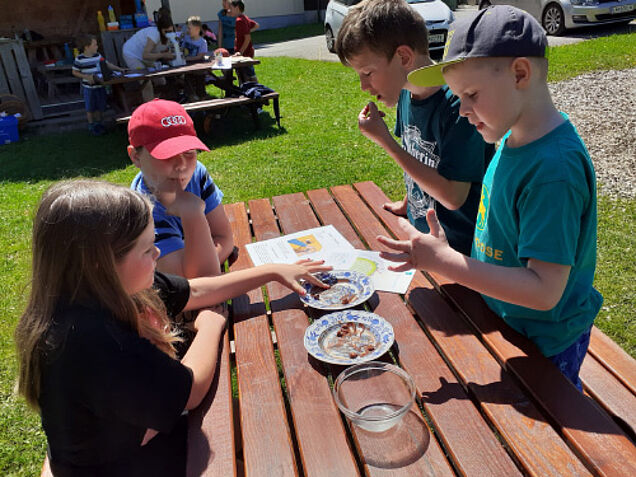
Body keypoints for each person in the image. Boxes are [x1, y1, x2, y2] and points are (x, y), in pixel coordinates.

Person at [14, 179, 330, 476]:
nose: (159, 253)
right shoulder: (90, 340)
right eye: (147, 249)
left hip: (134, 436)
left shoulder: (109, 288)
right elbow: (189, 391)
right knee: (265, 444)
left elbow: (198, 291)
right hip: (126, 467)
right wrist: (209, 325)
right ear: (102, 263)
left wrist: (272, 271)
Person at [378, 6, 603, 391]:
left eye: (471, 94)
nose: (462, 110)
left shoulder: (553, 170)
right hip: (504, 316)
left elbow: (545, 291)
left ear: (520, 74)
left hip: (546, 340)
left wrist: (449, 263)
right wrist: (448, 249)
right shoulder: (509, 137)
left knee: (548, 435)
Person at [335, 0, 492, 256]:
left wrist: (386, 141)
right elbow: (417, 151)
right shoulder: (405, 94)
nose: (364, 86)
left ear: (404, 57)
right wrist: (408, 203)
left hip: (460, 253)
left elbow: (454, 197)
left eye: (367, 72)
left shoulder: (459, 106)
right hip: (422, 238)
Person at [128, 99, 234, 279]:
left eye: (189, 152)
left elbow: (224, 237)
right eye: (166, 155)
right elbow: (191, 280)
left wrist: (200, 263)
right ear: (136, 157)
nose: (182, 165)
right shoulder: (144, 214)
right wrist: (191, 212)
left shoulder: (197, 173)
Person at [72, 34, 124, 136]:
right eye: (95, 45)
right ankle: (91, 125)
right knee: (90, 107)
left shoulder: (98, 56)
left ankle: (99, 123)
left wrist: (119, 69)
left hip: (100, 86)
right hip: (89, 88)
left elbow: (107, 64)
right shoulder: (80, 59)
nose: (97, 47)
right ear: (87, 47)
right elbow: (75, 72)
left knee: (100, 106)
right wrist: (86, 77)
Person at [122, 14, 176, 101]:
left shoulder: (171, 36)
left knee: (161, 81)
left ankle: (156, 103)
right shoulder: (154, 34)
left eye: (170, 31)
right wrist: (163, 55)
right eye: (166, 32)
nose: (168, 34)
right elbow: (146, 55)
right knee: (146, 82)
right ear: (160, 29)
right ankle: (149, 108)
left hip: (148, 58)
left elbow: (161, 52)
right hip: (132, 55)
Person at [181, 15, 211, 101]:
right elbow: (182, 49)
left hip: (198, 68)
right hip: (187, 67)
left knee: (199, 83)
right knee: (188, 81)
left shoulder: (202, 42)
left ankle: (201, 98)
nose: (188, 30)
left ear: (197, 29)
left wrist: (186, 59)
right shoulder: (186, 39)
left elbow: (200, 56)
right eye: (187, 28)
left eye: (189, 28)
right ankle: (191, 97)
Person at [229, 0, 259, 84]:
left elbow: (247, 38)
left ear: (237, 8)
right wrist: (245, 32)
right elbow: (256, 25)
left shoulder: (239, 21)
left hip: (244, 54)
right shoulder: (245, 17)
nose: (229, 10)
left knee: (246, 75)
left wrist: (240, 52)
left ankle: (255, 90)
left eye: (231, 8)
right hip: (248, 52)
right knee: (247, 73)